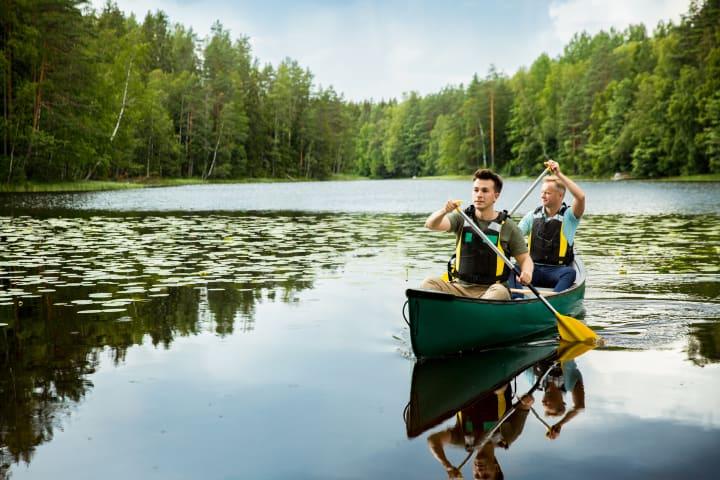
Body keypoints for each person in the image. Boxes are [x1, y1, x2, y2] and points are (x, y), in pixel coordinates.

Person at [422, 169, 533, 301]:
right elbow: (431, 224)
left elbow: (525, 259)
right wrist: (444, 211)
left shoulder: (508, 226)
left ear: (496, 196)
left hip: (492, 289)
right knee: (428, 284)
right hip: (460, 287)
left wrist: (527, 273)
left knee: (499, 292)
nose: (479, 195)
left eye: (485, 191)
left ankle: (475, 312)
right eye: (476, 190)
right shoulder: (462, 218)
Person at [427, 383, 534, 480]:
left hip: (464, 383)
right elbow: (526, 405)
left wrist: (446, 465)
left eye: (476, 475)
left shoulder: (462, 439)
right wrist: (527, 400)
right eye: (486, 476)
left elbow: (433, 440)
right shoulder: (509, 436)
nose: (480, 472)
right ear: (496, 468)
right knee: (500, 388)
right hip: (497, 381)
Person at [512, 160, 585, 293]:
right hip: (532, 269)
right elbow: (515, 236)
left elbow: (581, 197)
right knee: (510, 269)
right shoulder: (531, 216)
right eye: (542, 192)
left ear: (560, 195)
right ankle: (517, 298)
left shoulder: (569, 217)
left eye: (547, 193)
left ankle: (555, 297)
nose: (542, 195)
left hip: (556, 271)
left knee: (570, 273)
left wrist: (559, 174)